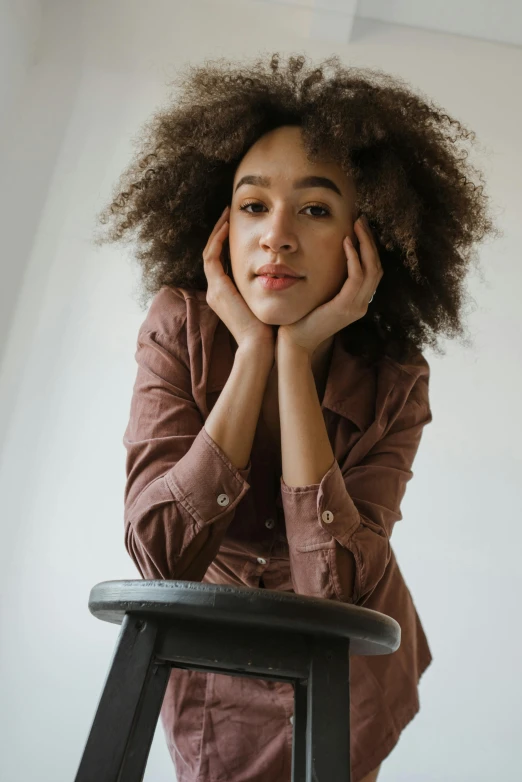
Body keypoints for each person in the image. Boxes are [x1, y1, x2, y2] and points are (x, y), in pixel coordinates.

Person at [94, 52, 498, 782]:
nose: (275, 235)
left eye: (314, 209)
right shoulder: (177, 327)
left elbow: (334, 586)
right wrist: (254, 350)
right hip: (214, 667)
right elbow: (158, 551)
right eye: (253, 205)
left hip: (350, 670)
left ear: (366, 241)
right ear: (219, 225)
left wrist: (299, 353)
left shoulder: (396, 382)